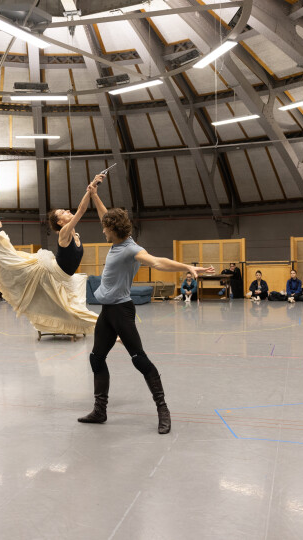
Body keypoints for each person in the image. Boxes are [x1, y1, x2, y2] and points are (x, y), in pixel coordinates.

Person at [77, 181, 213, 434]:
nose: (102, 231)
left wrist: (187, 267)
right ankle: (100, 410)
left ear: (112, 229)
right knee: (96, 358)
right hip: (107, 312)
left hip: (122, 311)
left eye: (105, 228)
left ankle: (163, 410)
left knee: (139, 359)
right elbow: (105, 215)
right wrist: (94, 195)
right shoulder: (118, 241)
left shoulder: (132, 250)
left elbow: (157, 262)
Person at [0, 175, 105, 336]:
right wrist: (91, 188)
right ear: (61, 223)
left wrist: (91, 191)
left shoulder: (75, 234)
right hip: (49, 274)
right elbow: (81, 210)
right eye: (63, 212)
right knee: (10, 258)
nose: (68, 211)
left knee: (72, 309)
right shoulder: (64, 233)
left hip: (64, 278)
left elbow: (80, 210)